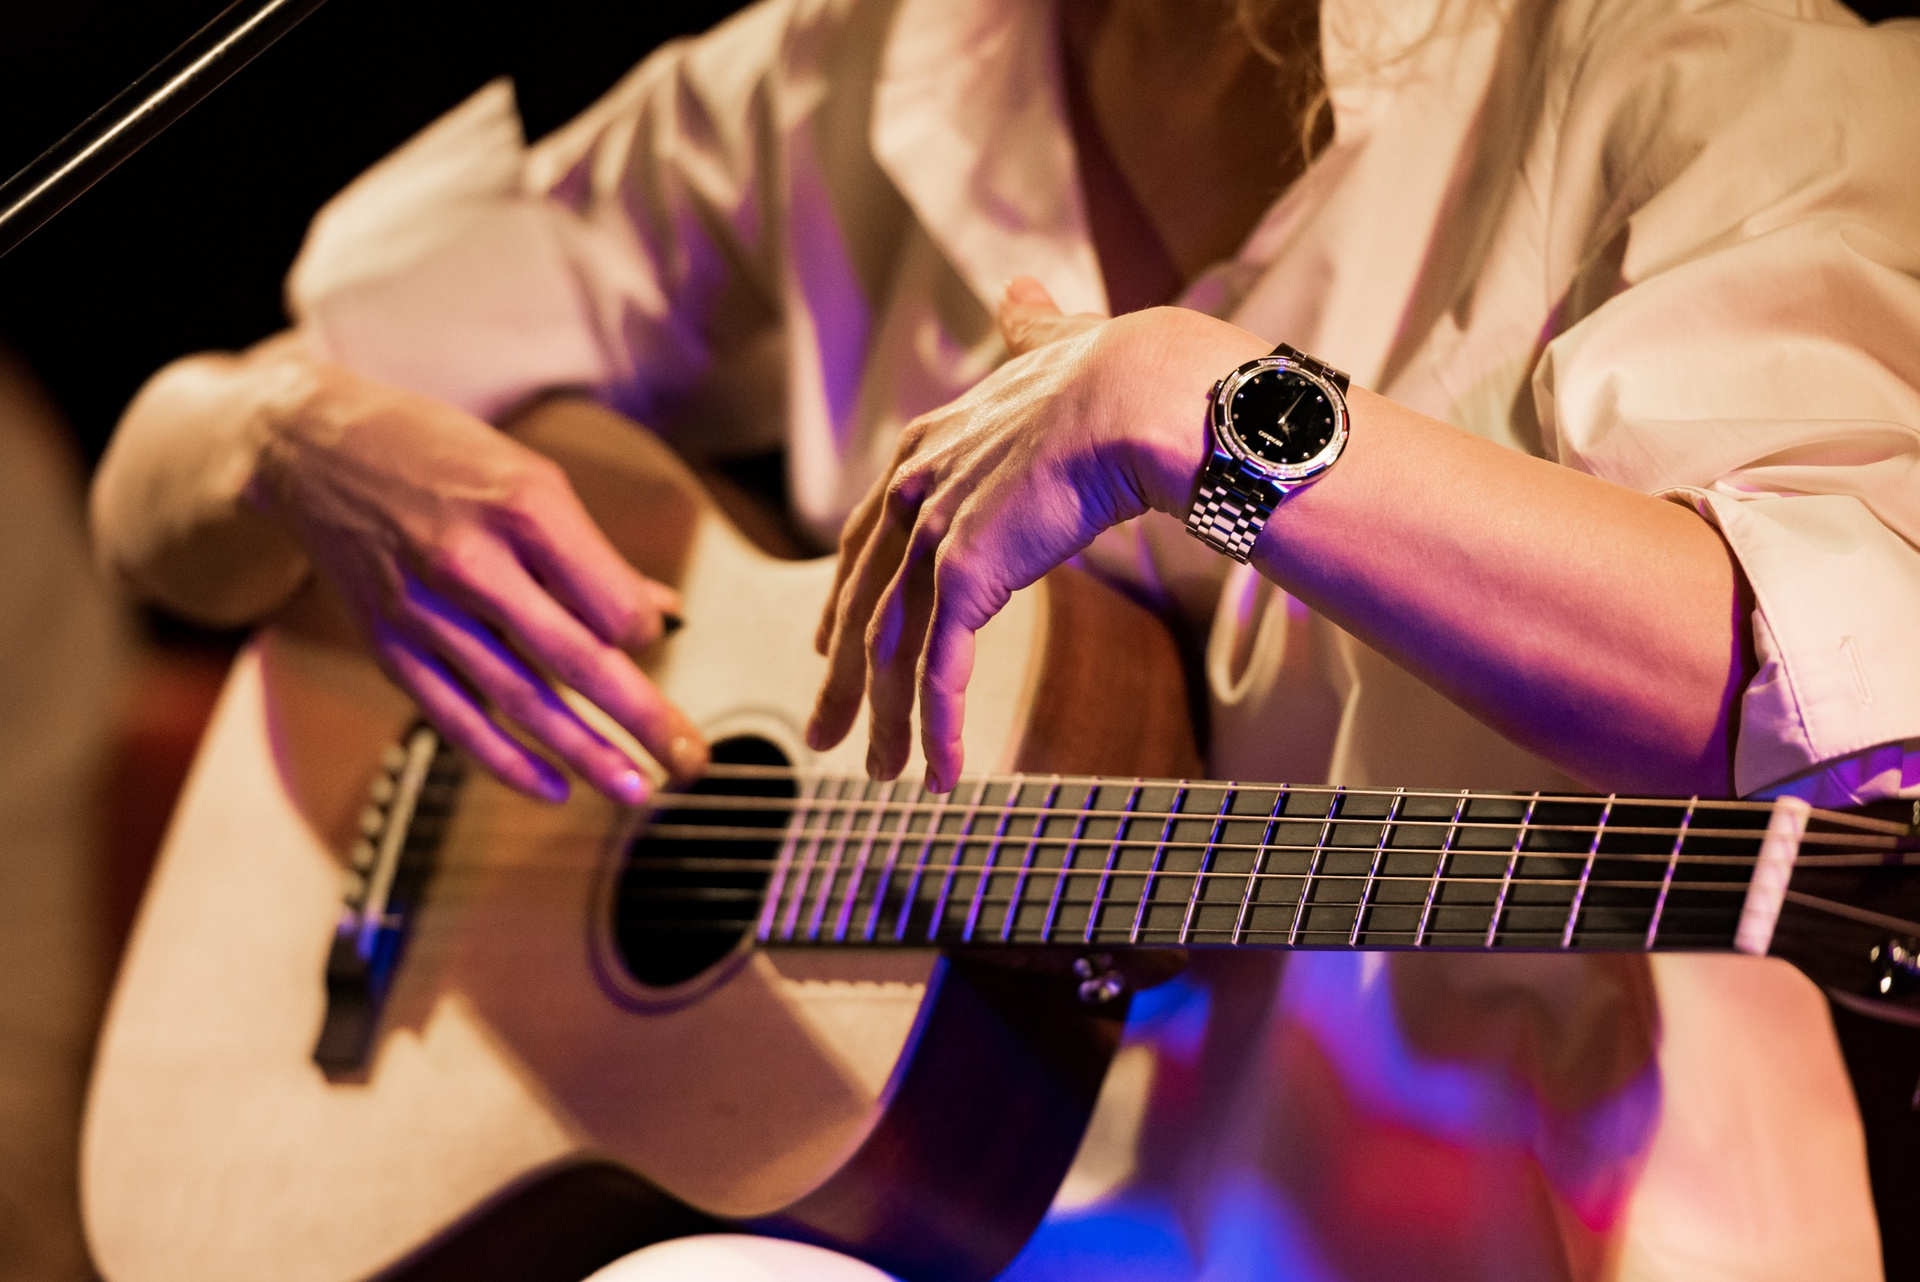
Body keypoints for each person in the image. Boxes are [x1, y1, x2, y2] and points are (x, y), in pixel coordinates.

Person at [90, 0, 1920, 1276]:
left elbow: (1813, 673)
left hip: (1505, 1222)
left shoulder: (1676, 58)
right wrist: (289, 439)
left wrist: (1192, 411)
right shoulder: (846, 66)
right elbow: (164, 468)